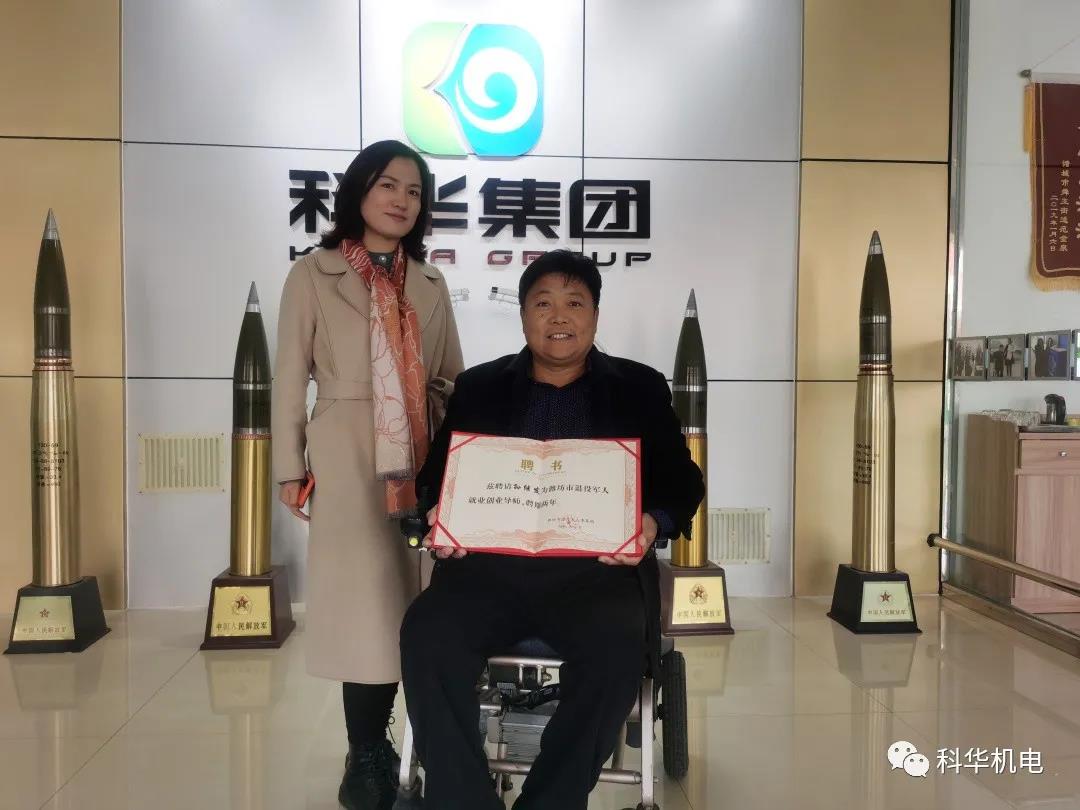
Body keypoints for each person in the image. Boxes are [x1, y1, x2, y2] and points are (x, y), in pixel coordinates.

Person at [400, 250, 705, 810]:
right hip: (486, 573)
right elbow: (435, 479)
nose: (559, 317)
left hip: (597, 576)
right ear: (522, 315)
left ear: (595, 315)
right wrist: (439, 514)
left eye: (574, 303)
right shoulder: (479, 387)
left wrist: (651, 523)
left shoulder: (638, 387)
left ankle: (551, 801)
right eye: (543, 303)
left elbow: (683, 482)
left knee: (616, 651)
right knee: (426, 634)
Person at [272, 140, 464, 810]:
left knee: (427, 601)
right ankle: (367, 752)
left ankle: (430, 743)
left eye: (414, 191)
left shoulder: (431, 282)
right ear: (359, 190)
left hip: (424, 451)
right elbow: (289, 376)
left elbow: (455, 376)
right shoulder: (313, 273)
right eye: (388, 185)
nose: (402, 201)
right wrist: (288, 466)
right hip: (348, 451)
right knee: (366, 604)